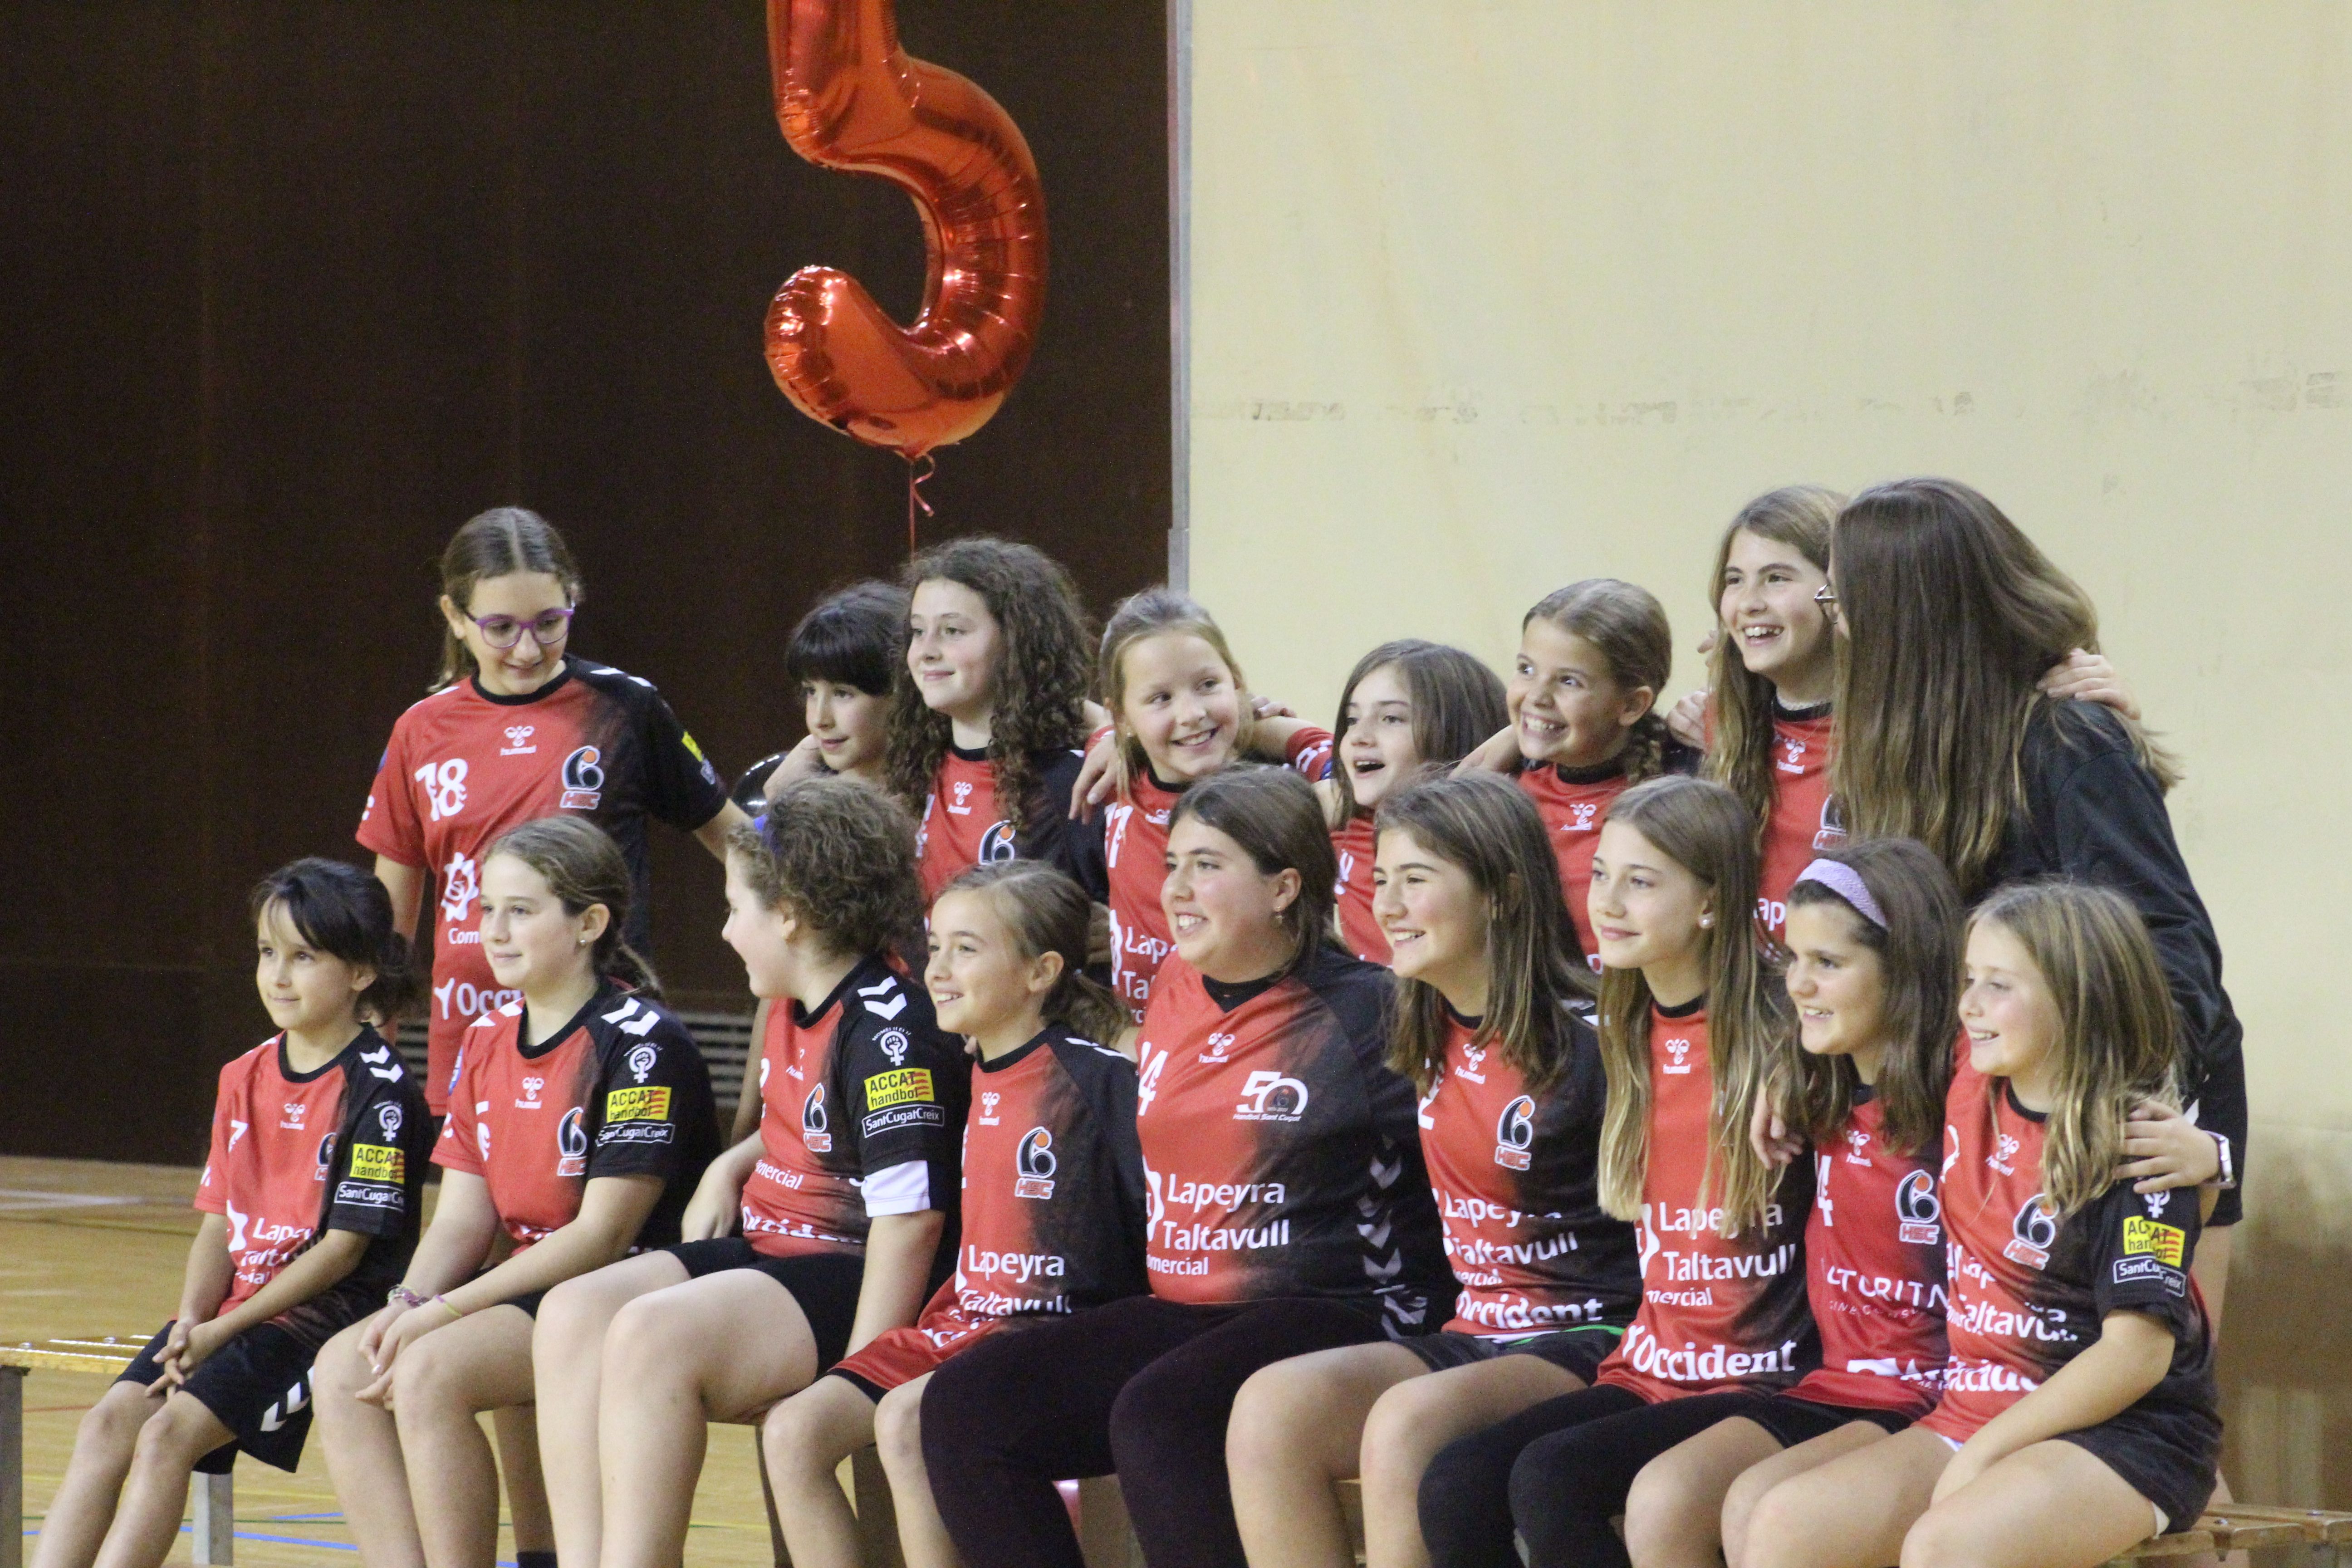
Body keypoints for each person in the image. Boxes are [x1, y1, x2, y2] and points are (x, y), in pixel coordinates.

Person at [919, 767, 1448, 1568]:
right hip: (1188, 1309)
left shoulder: (1369, 1011)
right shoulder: (1171, 984)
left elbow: (1464, 1156)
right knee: (965, 1406)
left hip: (1341, 1304)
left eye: (1207, 864)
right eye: (1171, 864)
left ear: (1283, 887)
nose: (1176, 887)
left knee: (1159, 1415)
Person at [1823, 477, 2244, 1310]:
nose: (1833, 620)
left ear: (1897, 617)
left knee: (2152, 1405)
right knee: (2007, 1392)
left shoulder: (2065, 737)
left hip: (2126, 1114)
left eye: (1841, 598)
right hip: (2003, 1111)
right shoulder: (1898, 754)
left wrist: (2155, 1127)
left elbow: (2171, 947)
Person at [526, 779, 963, 1568]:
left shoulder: (888, 1032)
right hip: (775, 1247)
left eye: (735, 908)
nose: (727, 931)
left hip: (852, 1268)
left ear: (790, 913)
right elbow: (818, 1128)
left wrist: (860, 1377)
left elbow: (912, 1221)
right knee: (572, 1311)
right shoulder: (798, 1001)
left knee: (651, 1335)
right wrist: (734, 1161)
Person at [1735, 882, 2222, 1568]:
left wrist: (1989, 1453)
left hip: (2122, 1435)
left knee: (1947, 1548)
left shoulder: (2139, 1151)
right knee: (1785, 1525)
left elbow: (2135, 1356)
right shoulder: (1972, 1080)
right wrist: (1788, 1072)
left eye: (1997, 985)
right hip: (1974, 1410)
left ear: (2075, 998)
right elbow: (1867, 1022)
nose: (1968, 1005)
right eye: (1969, 980)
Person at [1226, 772, 1637, 1568]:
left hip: (1599, 1330)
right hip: (1475, 1327)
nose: (1386, 905)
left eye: (1416, 880)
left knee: (1406, 1424)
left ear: (1500, 893)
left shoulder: (1597, 1041)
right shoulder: (1420, 1029)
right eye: (1380, 879)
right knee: (1268, 1409)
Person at [1415, 776, 1810, 1568]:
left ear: (1708, 901)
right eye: (1598, 874)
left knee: (1553, 1480)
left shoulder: (1795, 1032)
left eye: (1639, 880)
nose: (1607, 901)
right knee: (1458, 1479)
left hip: (1765, 1371)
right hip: (1652, 1359)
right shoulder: (1620, 1029)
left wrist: (1798, 1066)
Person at [312, 817, 719, 1568]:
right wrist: (407, 1303)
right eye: (484, 909)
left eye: (520, 911)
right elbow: (465, 1217)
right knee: (344, 1366)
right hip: (528, 1285)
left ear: (588, 923)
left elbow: (600, 1235)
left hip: (620, 1295)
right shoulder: (488, 1036)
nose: (492, 932)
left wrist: (448, 1310)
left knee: (430, 1372)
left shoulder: (639, 1044)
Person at [33, 861, 432, 1568]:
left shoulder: (383, 1095)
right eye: (267, 953)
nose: (278, 976)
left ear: (363, 971)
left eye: (304, 957)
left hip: (323, 1319)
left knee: (165, 1439)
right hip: (231, 1312)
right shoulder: (242, 1074)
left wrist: (221, 1330)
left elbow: (343, 1251)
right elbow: (221, 1220)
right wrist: (191, 1319)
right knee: (108, 1426)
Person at [759, 861, 1147, 1568]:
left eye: (966, 949)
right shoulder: (967, 1068)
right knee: (794, 1433)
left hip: (1047, 1330)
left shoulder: (1100, 1081)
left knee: (911, 1421)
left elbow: (1157, 1234)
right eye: (936, 947)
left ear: (1040, 973)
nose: (938, 968)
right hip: (958, 1322)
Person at [1613, 838, 1961, 1568]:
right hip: (1836, 1384)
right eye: (1792, 959)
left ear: (1905, 969)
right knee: (1664, 1497)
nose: (1799, 985)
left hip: (1932, 1396)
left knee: (1769, 1515)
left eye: (1828, 964)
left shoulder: (1963, 1093)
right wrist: (1786, 1068)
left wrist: (2204, 1157)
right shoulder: (1818, 1086)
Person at [358, 506, 742, 1120]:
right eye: (502, 628)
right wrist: (373, 1054)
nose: (528, 647)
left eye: (549, 623)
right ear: (456, 619)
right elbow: (391, 921)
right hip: (469, 1029)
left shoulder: (624, 708)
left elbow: (737, 842)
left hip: (598, 1024)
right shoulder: (420, 730)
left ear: (574, 600)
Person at [1682, 485, 2140, 942]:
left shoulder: (2049, 737)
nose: (1747, 602)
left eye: (1778, 578)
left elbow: (2158, 943)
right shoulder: (1713, 728)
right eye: (1733, 579)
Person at [1090, 588, 1334, 1019]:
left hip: (1254, 1042)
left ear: (1236, 680)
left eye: (1208, 686)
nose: (1191, 713)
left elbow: (1349, 768)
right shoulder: (1111, 786)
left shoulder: (1277, 798)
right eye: (1160, 698)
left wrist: (1277, 730)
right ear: (1122, 716)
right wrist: (1104, 737)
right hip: (1141, 1049)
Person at [1464, 580, 1697, 964]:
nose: (1537, 696)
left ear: (1632, 704)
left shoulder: (1684, 788)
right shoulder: (1501, 782)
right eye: (1526, 670)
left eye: (1569, 681)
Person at [885, 538, 1105, 901]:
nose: (926, 652)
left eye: (952, 631)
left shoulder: (1073, 782)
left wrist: (1111, 921)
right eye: (918, 631)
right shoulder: (909, 769)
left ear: (1016, 643)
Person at [1324, 642, 1509, 963]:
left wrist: (1516, 736)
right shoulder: (1340, 824)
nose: (1359, 737)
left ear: (1456, 729)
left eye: (1391, 719)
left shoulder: (1497, 832)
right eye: (1353, 719)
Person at [731, 581, 906, 812]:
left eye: (843, 694)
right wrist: (785, 811)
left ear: (901, 692)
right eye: (811, 691)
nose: (820, 719)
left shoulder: (952, 795)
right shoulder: (777, 788)